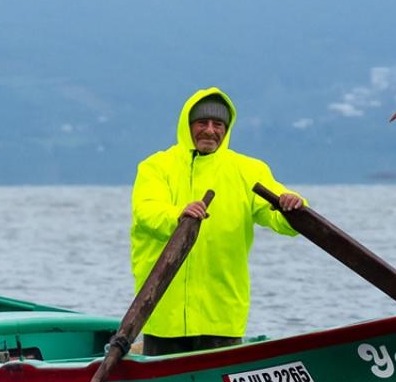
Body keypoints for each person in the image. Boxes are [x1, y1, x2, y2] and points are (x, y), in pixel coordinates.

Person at [130, 87, 305, 356]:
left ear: (227, 128)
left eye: (218, 124)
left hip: (222, 313)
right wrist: (179, 215)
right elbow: (147, 213)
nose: (210, 130)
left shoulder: (249, 170)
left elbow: (277, 216)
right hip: (163, 309)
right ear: (187, 125)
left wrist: (293, 208)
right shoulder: (155, 167)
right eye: (202, 123)